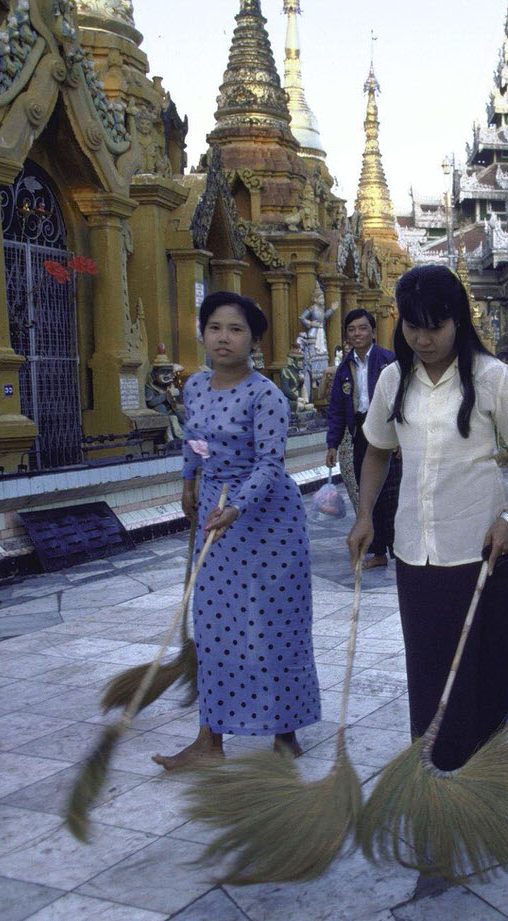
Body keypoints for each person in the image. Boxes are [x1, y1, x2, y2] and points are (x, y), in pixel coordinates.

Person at [348, 265, 508, 772]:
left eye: (434, 326)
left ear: (457, 319)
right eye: (413, 327)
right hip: (416, 548)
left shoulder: (491, 377)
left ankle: (486, 766)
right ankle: (435, 766)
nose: (423, 338)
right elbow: (376, 450)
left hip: (481, 547)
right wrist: (365, 514)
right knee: (429, 662)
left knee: (481, 667)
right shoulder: (393, 378)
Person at [154, 292, 321, 770]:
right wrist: (188, 483)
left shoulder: (265, 395)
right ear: (202, 333)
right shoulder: (195, 387)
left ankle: (285, 732)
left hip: (266, 521)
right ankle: (210, 739)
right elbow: (194, 441)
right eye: (215, 328)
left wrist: (238, 507)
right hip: (215, 514)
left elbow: (271, 463)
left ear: (253, 340)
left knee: (273, 624)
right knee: (214, 626)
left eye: (236, 329)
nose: (224, 338)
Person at [324, 309, 399, 569]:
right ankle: (378, 552)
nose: (357, 333)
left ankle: (399, 548)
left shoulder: (389, 361)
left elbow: (401, 400)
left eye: (362, 328)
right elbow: (335, 408)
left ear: (373, 331)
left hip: (389, 432)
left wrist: (400, 437)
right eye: (352, 329)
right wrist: (332, 443)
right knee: (368, 493)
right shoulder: (344, 368)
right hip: (360, 433)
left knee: (394, 492)